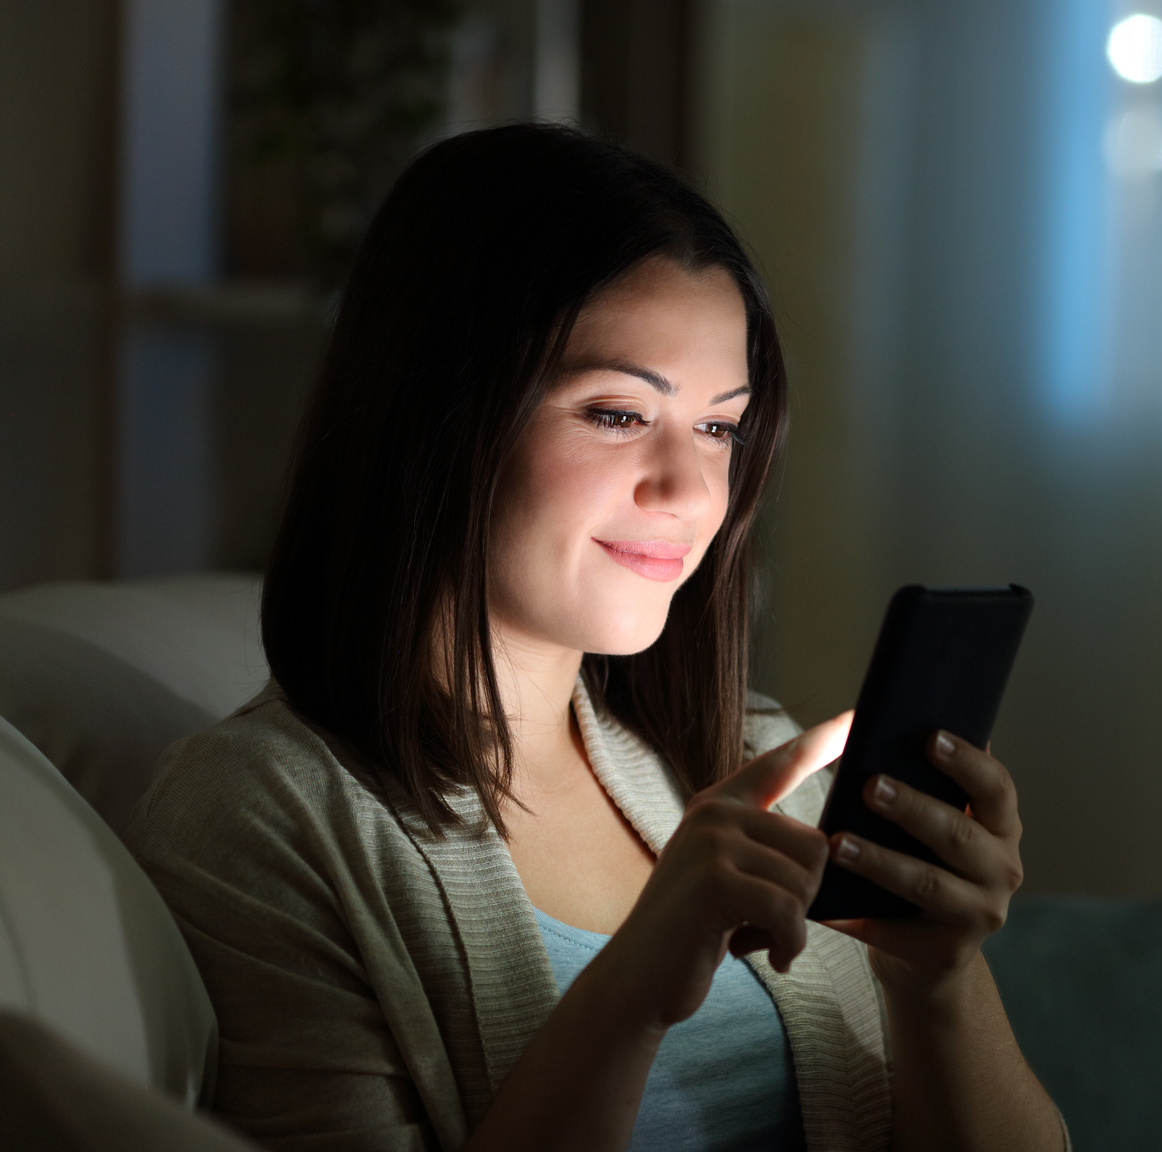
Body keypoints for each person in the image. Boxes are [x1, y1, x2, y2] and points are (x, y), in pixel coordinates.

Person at [127, 124, 1067, 1152]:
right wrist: (630, 990)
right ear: (436, 415)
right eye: (618, 414)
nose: (690, 490)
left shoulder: (755, 760)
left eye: (720, 427)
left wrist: (936, 978)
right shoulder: (261, 818)